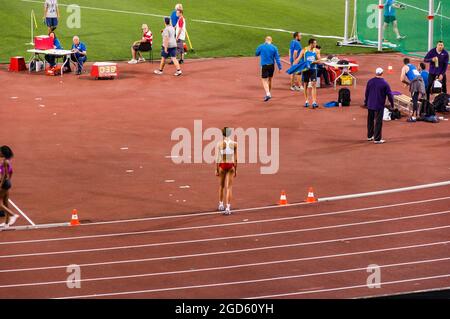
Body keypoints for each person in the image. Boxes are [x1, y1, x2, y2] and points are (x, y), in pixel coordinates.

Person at [364, 68, 394, 144]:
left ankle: (369, 136)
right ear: (382, 73)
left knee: (370, 120)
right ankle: (377, 139)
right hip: (379, 104)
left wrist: (366, 102)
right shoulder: (384, 83)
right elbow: (390, 95)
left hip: (370, 104)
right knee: (378, 121)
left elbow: (366, 93)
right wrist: (392, 104)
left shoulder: (370, 81)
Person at [216, 127, 237, 215]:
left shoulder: (220, 144)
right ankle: (228, 208)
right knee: (229, 188)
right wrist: (235, 169)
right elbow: (236, 159)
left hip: (223, 165)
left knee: (221, 186)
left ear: (223, 134)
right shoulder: (235, 144)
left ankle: (221, 205)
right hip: (230, 165)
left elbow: (218, 158)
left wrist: (217, 169)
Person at [295, 38, 321, 108]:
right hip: (306, 70)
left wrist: (313, 62)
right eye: (315, 43)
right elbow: (298, 58)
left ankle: (314, 102)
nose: (316, 44)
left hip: (313, 69)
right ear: (311, 44)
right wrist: (294, 66)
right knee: (305, 85)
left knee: (313, 85)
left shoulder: (316, 51)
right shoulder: (304, 50)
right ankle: (306, 101)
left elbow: (319, 60)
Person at [255, 36, 282, 102]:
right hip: (272, 66)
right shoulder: (274, 47)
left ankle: (268, 94)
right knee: (270, 80)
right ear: (271, 41)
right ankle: (268, 93)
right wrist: (280, 67)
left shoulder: (261, 46)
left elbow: (256, 54)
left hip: (264, 66)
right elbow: (277, 58)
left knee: (264, 80)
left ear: (265, 40)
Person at [0, 146, 20, 229]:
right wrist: (9, 180)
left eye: (0, 151)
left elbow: (4, 175)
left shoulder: (4, 162)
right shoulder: (8, 161)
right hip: (7, 183)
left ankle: (13, 215)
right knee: (5, 203)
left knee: (0, 204)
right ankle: (6, 223)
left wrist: (1, 184)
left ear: (3, 153)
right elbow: (11, 172)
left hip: (4, 184)